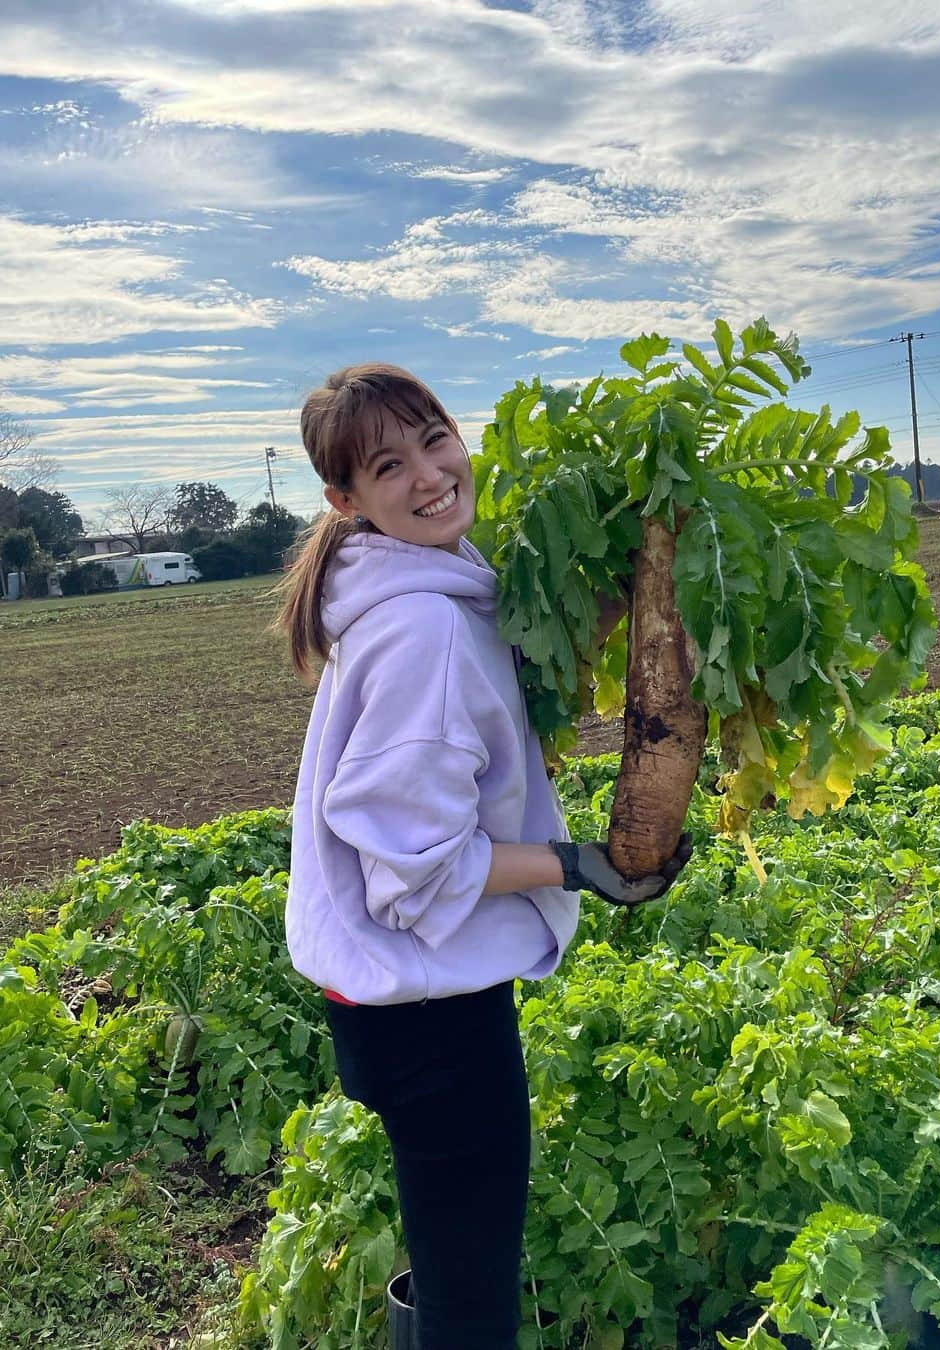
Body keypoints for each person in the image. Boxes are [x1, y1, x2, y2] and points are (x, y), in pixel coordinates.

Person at [274, 363, 692, 1349]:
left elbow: (511, 653)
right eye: (390, 465)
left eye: (435, 439)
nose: (429, 473)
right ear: (346, 500)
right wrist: (583, 865)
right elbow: (418, 874)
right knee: (472, 1298)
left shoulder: (423, 590)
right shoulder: (423, 630)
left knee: (457, 1256)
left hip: (401, 1005)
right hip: (428, 1015)